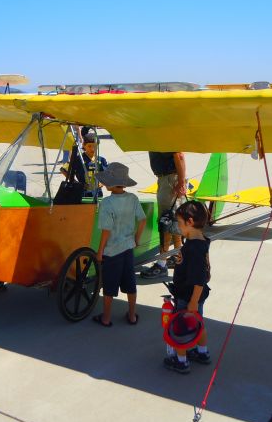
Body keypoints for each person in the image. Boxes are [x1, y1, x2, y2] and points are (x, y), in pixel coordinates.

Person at [92, 162, 146, 327]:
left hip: (112, 251)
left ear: (111, 184)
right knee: (130, 283)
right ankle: (131, 316)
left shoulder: (107, 203)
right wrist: (136, 239)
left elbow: (106, 230)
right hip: (128, 247)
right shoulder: (133, 198)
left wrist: (100, 251)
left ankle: (106, 318)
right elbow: (142, 220)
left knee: (109, 285)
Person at [163, 200, 212, 374]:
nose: (179, 228)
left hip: (188, 295)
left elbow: (199, 279)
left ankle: (181, 360)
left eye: (180, 224)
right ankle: (202, 352)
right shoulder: (202, 241)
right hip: (195, 294)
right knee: (199, 323)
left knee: (181, 328)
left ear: (190, 222)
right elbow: (206, 269)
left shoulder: (193, 248)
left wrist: (192, 301)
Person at [141, 152, 186, 279]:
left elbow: (179, 155)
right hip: (167, 178)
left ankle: (162, 264)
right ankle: (178, 258)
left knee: (166, 221)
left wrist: (181, 181)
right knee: (173, 221)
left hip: (169, 179)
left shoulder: (164, 136)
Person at [60, 132, 108, 197]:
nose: (92, 149)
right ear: (84, 145)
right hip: (82, 193)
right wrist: (76, 183)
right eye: (89, 146)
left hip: (98, 193)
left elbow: (107, 175)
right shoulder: (79, 159)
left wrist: (102, 183)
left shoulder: (101, 160)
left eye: (95, 146)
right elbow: (63, 169)